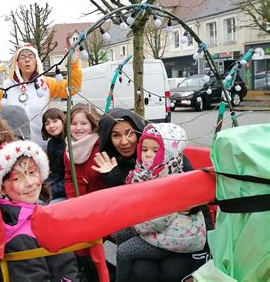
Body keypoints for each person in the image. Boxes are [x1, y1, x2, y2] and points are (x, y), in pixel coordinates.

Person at [92, 108, 214, 281]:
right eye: (116, 135)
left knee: (169, 270)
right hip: (150, 232)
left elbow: (195, 201)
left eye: (129, 133)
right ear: (108, 139)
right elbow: (126, 207)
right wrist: (113, 176)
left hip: (180, 233)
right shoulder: (119, 164)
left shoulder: (169, 157)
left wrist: (191, 204)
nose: (125, 141)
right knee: (142, 270)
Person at [114, 123, 207, 282]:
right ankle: (129, 273)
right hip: (164, 229)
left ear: (169, 153)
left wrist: (133, 222)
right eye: (144, 150)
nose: (148, 155)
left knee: (123, 252)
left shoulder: (170, 180)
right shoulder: (149, 172)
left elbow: (158, 221)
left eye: (156, 151)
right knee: (121, 233)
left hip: (177, 239)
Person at [0, 140, 79, 281]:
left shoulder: (32, 212)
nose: (29, 183)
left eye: (32, 172)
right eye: (17, 178)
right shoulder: (20, 237)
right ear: (1, 188)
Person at [0, 43, 83, 149]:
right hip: (14, 149)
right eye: (22, 57)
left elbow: (72, 87)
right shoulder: (6, 87)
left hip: (43, 147)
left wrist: (74, 65)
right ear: (17, 62)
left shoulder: (46, 83)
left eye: (31, 57)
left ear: (36, 61)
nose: (27, 60)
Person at [64, 103, 108, 198]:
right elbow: (69, 177)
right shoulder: (69, 149)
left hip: (99, 201)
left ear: (92, 124)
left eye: (84, 123)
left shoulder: (101, 146)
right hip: (77, 202)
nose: (78, 128)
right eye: (74, 124)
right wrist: (72, 199)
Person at [41, 108, 67, 201]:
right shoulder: (51, 143)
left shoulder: (69, 142)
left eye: (55, 121)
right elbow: (56, 173)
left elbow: (68, 177)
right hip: (58, 182)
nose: (51, 126)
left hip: (68, 187)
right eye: (47, 123)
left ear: (63, 121)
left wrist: (51, 191)